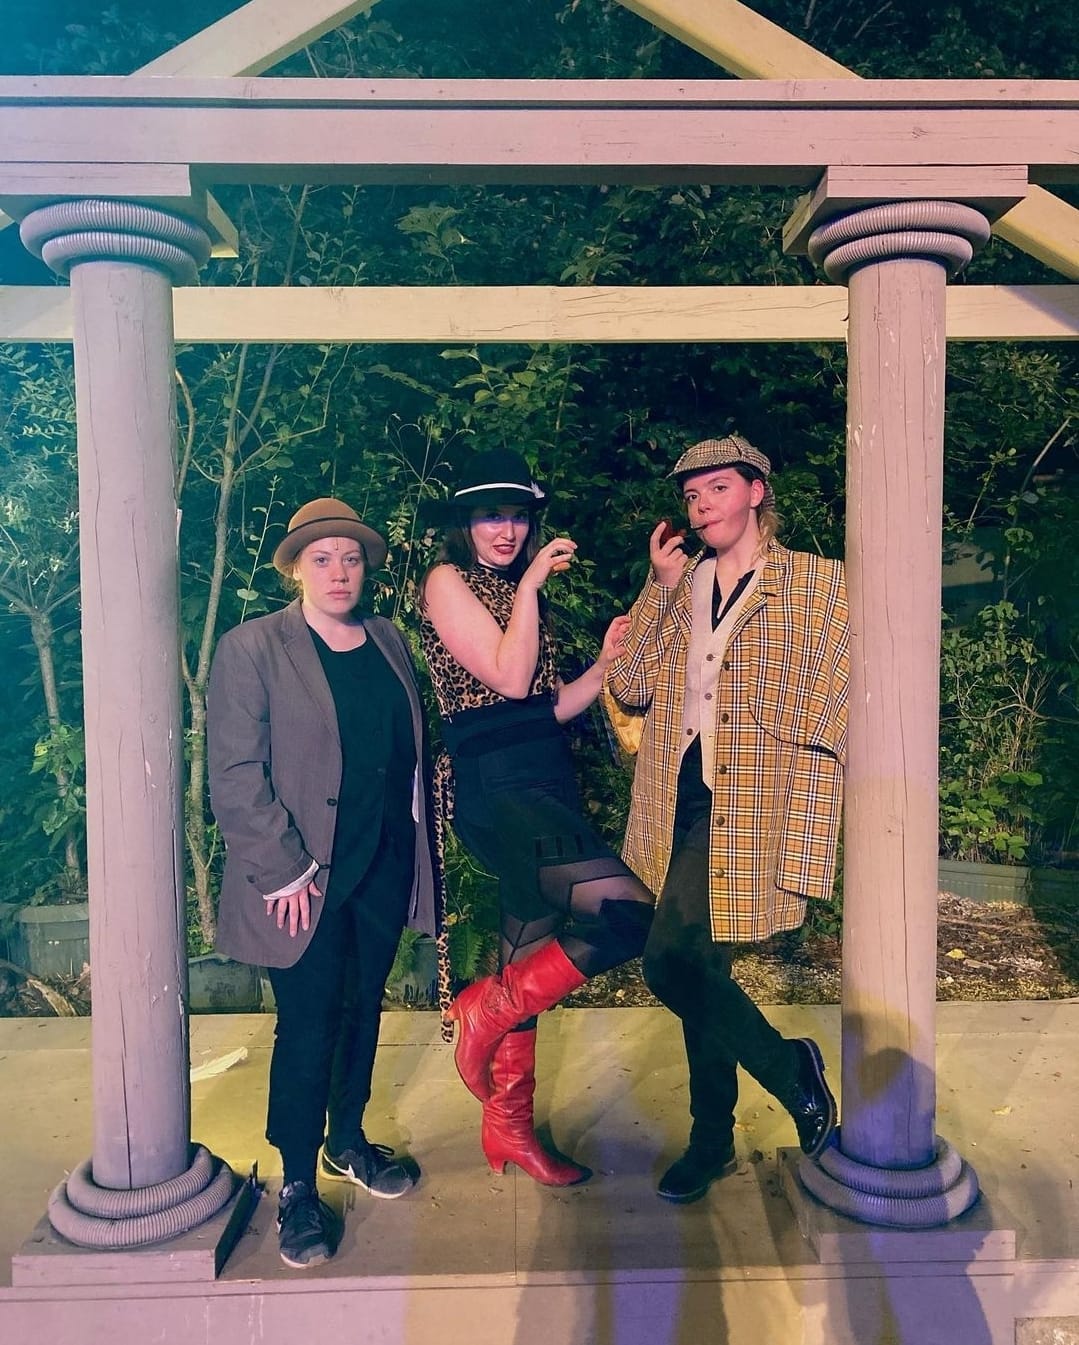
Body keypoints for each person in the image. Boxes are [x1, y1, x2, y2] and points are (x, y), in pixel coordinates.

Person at [605, 434, 848, 1204]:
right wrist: (657, 587)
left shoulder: (816, 582)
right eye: (690, 494)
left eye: (715, 487)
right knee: (695, 966)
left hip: (748, 797)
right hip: (674, 796)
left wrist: (812, 778)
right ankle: (719, 1129)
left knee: (671, 963)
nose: (700, 503)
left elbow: (846, 685)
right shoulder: (683, 581)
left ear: (755, 490)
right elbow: (631, 685)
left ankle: (780, 1077)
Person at [207, 497, 438, 1268]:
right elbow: (235, 773)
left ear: (365, 568)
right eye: (321, 558)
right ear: (296, 568)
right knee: (308, 1024)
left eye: (350, 558)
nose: (338, 572)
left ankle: (347, 1139)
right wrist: (282, 866)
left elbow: (402, 753)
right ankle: (298, 1182)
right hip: (302, 878)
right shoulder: (253, 647)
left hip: (381, 863)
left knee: (362, 1007)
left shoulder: (387, 639)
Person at [418, 448, 655, 1187]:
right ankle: (484, 1012)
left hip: (543, 777)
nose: (507, 530)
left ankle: (509, 1126)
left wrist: (605, 664)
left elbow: (546, 705)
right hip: (497, 789)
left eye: (518, 516)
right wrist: (528, 587)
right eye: (491, 515)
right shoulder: (447, 581)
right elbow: (509, 677)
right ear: (464, 522)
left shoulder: (514, 593)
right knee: (627, 913)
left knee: (528, 945)